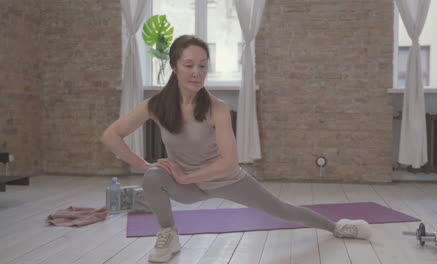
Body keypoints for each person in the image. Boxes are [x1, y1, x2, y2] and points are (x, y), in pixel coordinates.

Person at [101, 35, 371, 263]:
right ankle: (169, 234)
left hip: (225, 180)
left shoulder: (215, 107)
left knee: (282, 209)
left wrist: (186, 176)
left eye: (203, 66)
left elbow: (229, 163)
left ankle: (336, 226)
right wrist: (146, 165)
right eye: (189, 65)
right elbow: (111, 135)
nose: (197, 73)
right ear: (174, 66)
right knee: (153, 177)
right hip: (189, 187)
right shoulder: (157, 104)